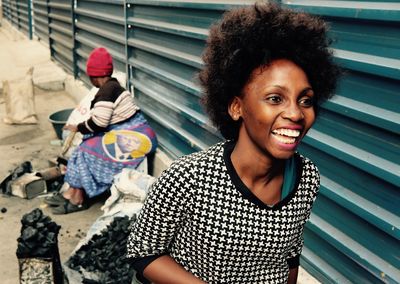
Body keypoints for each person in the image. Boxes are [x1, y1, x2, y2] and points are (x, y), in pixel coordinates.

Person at [126, 2, 340, 284]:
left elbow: (290, 256)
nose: (296, 114)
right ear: (237, 107)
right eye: (275, 98)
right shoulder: (187, 178)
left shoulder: (307, 177)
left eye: (305, 100)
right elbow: (143, 252)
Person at [45, 47, 157, 214]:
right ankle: (72, 193)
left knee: (85, 150)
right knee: (84, 147)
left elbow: (99, 123)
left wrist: (78, 127)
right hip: (139, 133)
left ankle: (77, 198)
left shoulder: (106, 92)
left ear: (94, 76)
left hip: (136, 137)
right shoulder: (113, 86)